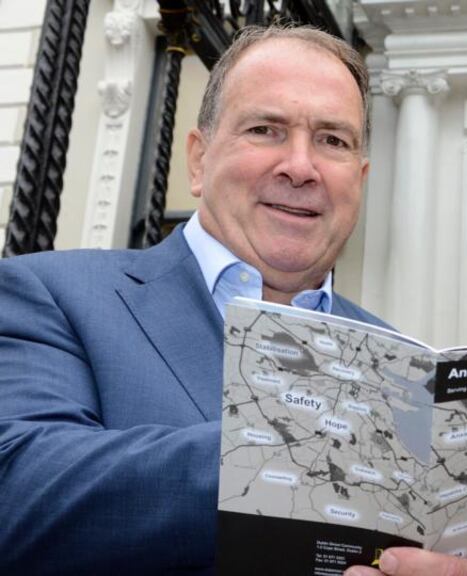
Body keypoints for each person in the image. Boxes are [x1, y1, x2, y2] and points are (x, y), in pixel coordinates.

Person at [0, 25, 386, 574]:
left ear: (360, 177)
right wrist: (298, 446)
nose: (301, 167)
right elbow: (18, 497)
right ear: (199, 160)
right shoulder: (50, 295)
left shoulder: (396, 359)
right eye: (265, 129)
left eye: (333, 140)